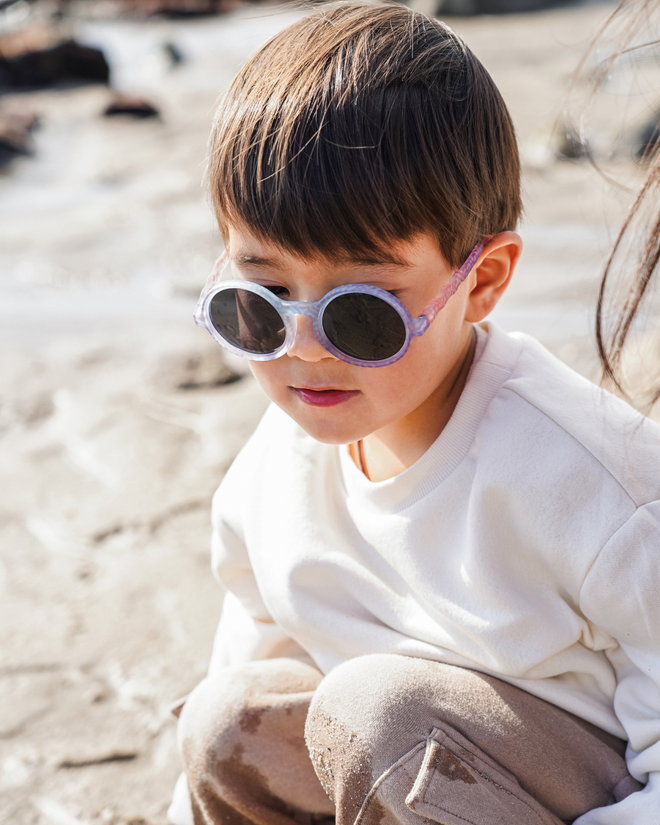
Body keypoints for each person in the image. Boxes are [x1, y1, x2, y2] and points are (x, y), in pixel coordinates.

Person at [168, 3, 660, 824]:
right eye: (258, 299)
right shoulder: (271, 473)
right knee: (226, 721)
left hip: (578, 791)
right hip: (397, 771)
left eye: (362, 313)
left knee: (380, 710)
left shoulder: (597, 489)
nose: (305, 348)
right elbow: (253, 650)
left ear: (484, 279)